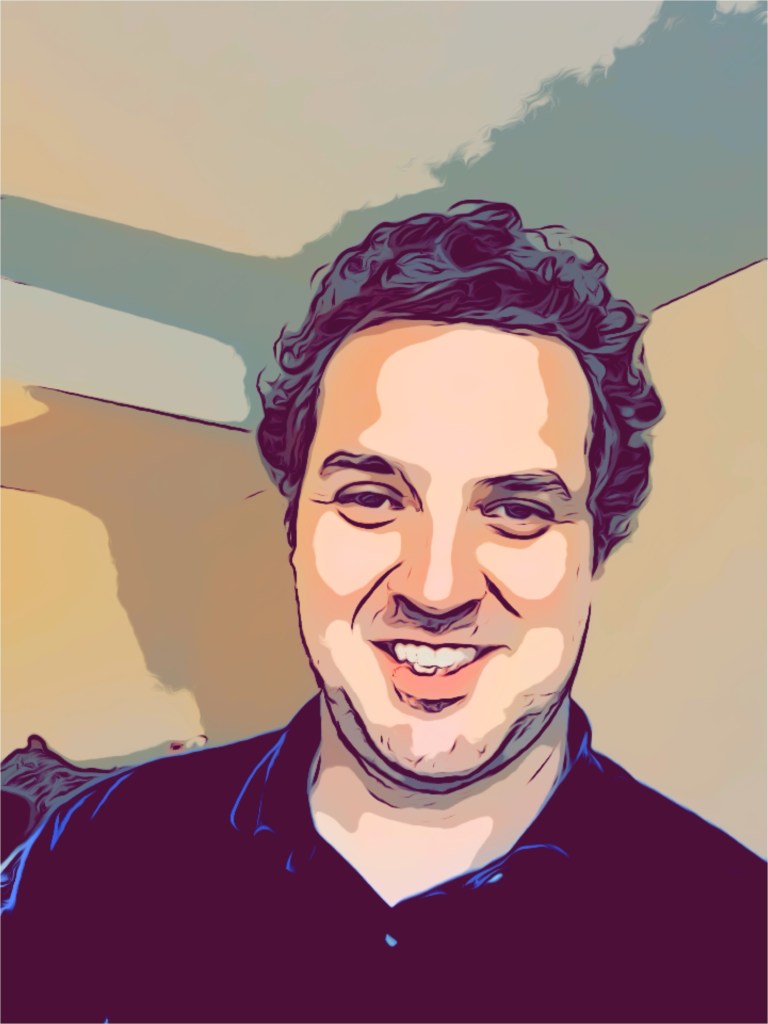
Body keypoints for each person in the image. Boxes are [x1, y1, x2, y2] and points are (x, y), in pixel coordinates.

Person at [2, 202, 765, 1024]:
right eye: (370, 499)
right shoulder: (98, 850)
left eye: (516, 511)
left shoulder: (739, 943)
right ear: (296, 533)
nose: (436, 589)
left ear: (595, 554)